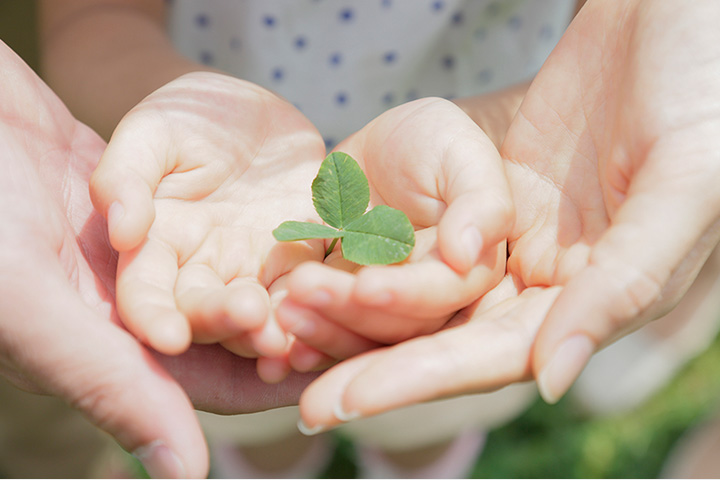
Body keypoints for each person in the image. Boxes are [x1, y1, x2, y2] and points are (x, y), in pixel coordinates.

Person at [37, 0, 578, 477]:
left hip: (459, 192)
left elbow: (595, 44)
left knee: (423, 410)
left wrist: (489, 140)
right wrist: (167, 104)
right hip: (219, 201)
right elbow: (95, 15)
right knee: (255, 399)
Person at [295, 0, 720, 435]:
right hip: (264, 130)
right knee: (279, 356)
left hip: (517, 102)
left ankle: (421, 454)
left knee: (422, 411)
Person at [0, 38, 319, 479]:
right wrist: (190, 112)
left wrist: (451, 118)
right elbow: (92, 30)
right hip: (195, 157)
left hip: (394, 215)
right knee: (266, 427)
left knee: (413, 421)